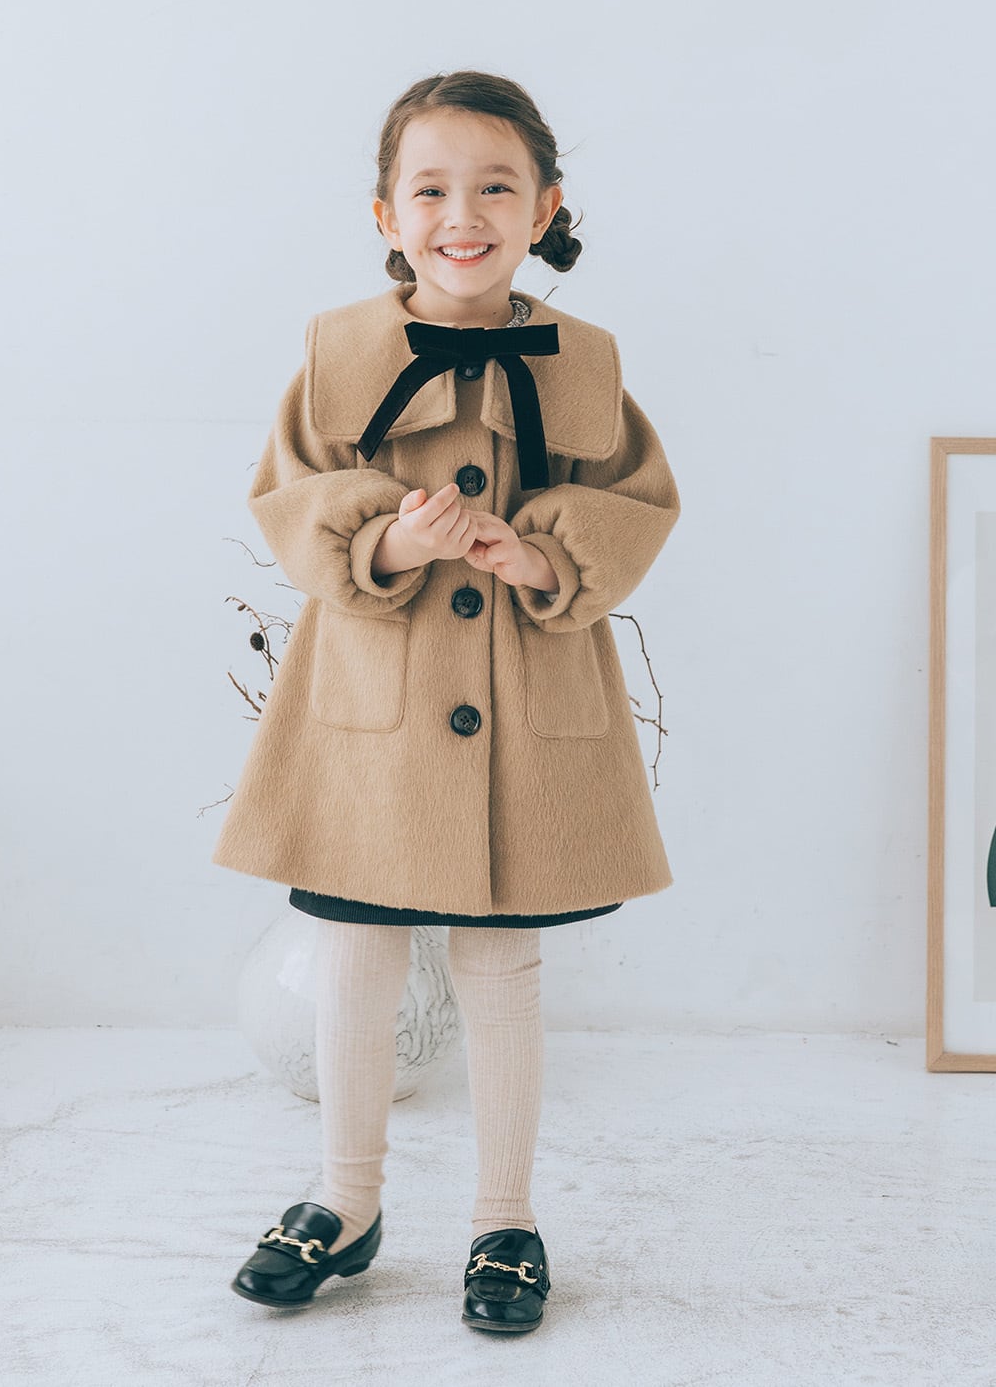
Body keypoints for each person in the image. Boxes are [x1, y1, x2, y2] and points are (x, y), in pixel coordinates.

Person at [218, 70, 681, 1332]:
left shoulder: (586, 363)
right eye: (429, 189)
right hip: (370, 706)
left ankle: (503, 1219)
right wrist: (389, 541)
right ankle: (344, 1199)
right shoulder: (336, 353)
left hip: (526, 708)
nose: (461, 215)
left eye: (494, 187)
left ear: (545, 208)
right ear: (385, 213)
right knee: (358, 953)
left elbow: (637, 500)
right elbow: (289, 493)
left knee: (501, 962)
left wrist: (542, 555)